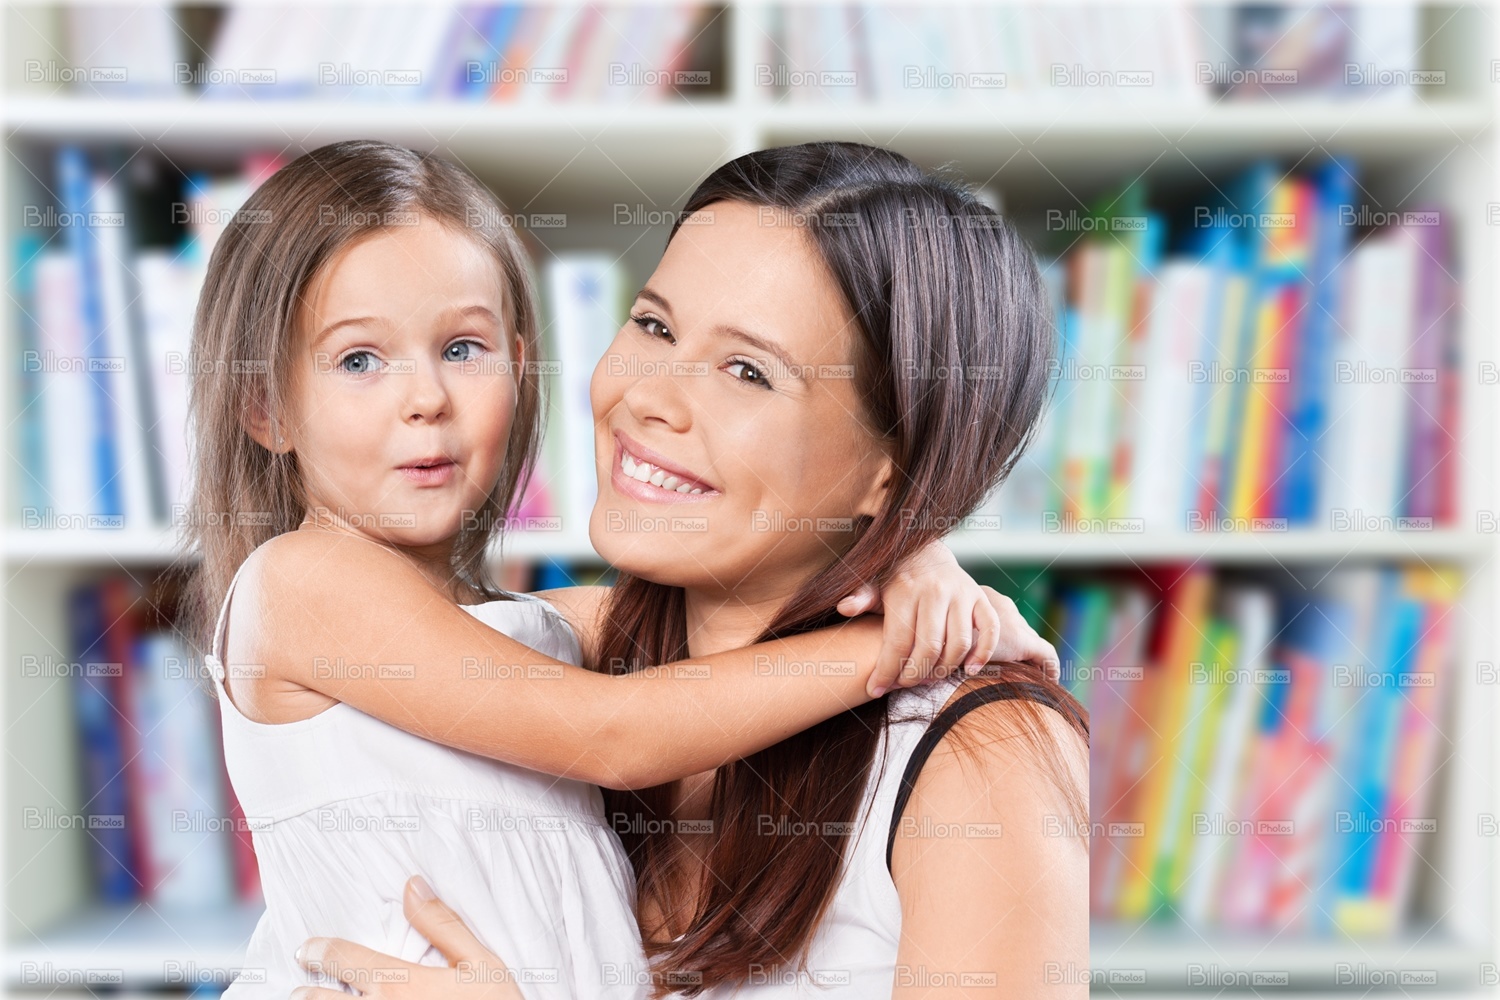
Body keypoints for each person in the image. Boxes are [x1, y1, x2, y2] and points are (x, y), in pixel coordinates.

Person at [182, 140, 1058, 998]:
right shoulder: (321, 590)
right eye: (654, 325)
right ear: (266, 407)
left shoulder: (978, 762)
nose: (648, 396)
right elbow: (616, 733)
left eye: (747, 371)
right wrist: (894, 634)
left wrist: (916, 552)